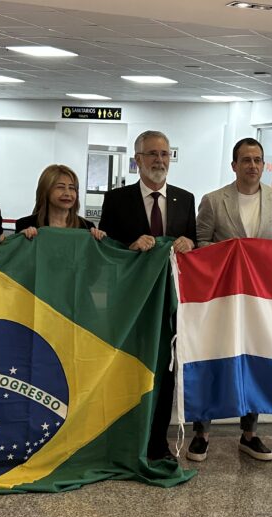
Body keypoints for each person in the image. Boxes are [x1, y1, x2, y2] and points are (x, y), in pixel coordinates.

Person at [185, 137, 272, 463]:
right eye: (246, 160)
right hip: (221, 299)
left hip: (260, 303)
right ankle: (202, 433)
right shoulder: (214, 201)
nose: (253, 166)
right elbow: (201, 246)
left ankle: (250, 433)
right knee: (213, 359)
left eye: (258, 160)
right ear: (234, 165)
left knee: (255, 363)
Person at [99, 130, 196, 461]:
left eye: (165, 154)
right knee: (128, 368)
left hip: (170, 303)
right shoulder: (117, 199)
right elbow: (107, 252)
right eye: (152, 154)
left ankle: (158, 442)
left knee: (166, 374)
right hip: (132, 303)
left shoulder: (185, 199)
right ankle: (123, 437)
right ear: (137, 160)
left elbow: (193, 244)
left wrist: (189, 244)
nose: (159, 160)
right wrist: (130, 247)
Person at [11, 164, 106, 241]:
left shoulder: (87, 227)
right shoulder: (25, 224)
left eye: (72, 188)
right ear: (45, 191)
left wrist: (101, 239)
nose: (67, 193)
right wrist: (20, 240)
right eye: (60, 187)